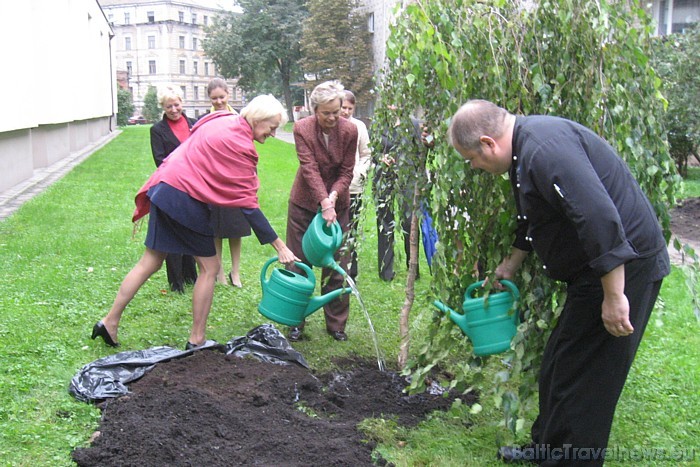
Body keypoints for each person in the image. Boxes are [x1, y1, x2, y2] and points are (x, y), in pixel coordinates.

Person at [447, 99, 670, 465]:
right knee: (558, 363)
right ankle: (547, 447)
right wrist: (511, 263)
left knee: (588, 378)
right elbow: (534, 215)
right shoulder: (525, 150)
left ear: (488, 143)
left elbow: (598, 218)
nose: (474, 166)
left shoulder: (545, 150)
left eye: (471, 159)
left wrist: (614, 296)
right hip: (593, 273)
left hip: (625, 268)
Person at [91, 95, 298, 350]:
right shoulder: (241, 144)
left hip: (163, 187)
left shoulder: (222, 118)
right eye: (272, 127)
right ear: (257, 119)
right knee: (210, 268)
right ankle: (197, 338)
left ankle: (109, 321)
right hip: (183, 199)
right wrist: (280, 246)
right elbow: (248, 205)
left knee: (150, 261)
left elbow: (197, 139)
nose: (274, 134)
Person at [285, 81, 358, 342]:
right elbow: (309, 168)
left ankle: (336, 325)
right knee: (298, 263)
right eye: (326, 112)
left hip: (339, 207)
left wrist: (334, 197)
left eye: (336, 112)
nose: (332, 118)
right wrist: (323, 202)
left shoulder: (349, 130)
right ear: (314, 109)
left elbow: (347, 170)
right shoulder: (302, 128)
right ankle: (296, 321)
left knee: (338, 263)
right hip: (304, 203)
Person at [149, 85, 198, 293]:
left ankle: (191, 276)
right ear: (163, 107)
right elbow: (160, 160)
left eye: (176, 104)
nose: (174, 109)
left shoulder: (195, 125)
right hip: (171, 187)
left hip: (194, 186)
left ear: (182, 103)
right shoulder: (157, 130)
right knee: (173, 233)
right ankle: (176, 282)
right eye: (169, 106)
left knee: (191, 230)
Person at [204, 78, 251, 288]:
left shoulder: (237, 118)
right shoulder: (205, 120)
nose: (218, 101)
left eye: (222, 97)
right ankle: (220, 272)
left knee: (235, 228)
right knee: (216, 229)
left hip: (234, 180)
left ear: (228, 95)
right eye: (214, 98)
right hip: (213, 180)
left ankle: (236, 272)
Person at [373, 111, 428, 281]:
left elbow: (421, 152)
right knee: (385, 222)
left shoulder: (412, 123)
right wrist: (381, 158)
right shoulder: (379, 123)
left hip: (408, 178)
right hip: (384, 177)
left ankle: (413, 268)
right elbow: (372, 150)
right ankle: (386, 271)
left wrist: (421, 179)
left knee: (410, 222)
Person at [339, 90, 372, 281]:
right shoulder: (333, 125)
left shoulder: (359, 127)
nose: (346, 111)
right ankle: (337, 267)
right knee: (336, 230)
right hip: (335, 189)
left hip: (354, 188)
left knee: (351, 228)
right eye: (343, 107)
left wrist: (359, 173)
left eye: (350, 108)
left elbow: (367, 154)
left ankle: (352, 270)